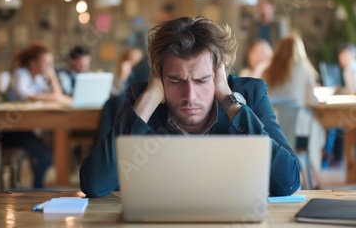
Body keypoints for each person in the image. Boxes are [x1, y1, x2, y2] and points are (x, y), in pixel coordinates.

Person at [80, 16, 301, 197]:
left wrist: (228, 99)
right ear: (159, 76)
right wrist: (148, 100)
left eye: (202, 80)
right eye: (175, 81)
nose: (190, 96)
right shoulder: (142, 100)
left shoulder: (250, 96)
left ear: (218, 74)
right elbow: (94, 184)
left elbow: (288, 182)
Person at [0, 41, 71, 188]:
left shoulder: (37, 78)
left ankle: (37, 188)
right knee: (47, 156)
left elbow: (56, 94)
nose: (49, 67)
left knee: (48, 155)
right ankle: (37, 188)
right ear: (33, 64)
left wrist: (51, 75)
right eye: (47, 63)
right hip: (9, 130)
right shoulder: (21, 75)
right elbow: (26, 96)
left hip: (23, 129)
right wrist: (57, 97)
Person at [262, 36, 325, 181]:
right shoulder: (304, 70)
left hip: (271, 131)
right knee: (318, 131)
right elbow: (313, 102)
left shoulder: (267, 71)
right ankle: (313, 177)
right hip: (297, 133)